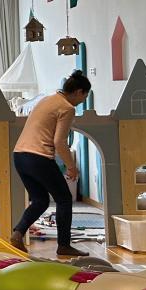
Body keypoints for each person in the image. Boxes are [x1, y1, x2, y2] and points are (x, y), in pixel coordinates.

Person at [10, 70, 92, 258]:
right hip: (38, 157)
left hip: (20, 155)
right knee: (64, 199)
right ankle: (64, 245)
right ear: (79, 92)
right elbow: (59, 142)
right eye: (84, 96)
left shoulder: (47, 100)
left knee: (40, 200)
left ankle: (18, 233)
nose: (83, 101)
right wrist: (72, 167)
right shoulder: (67, 108)